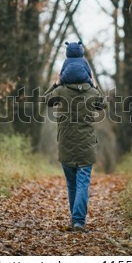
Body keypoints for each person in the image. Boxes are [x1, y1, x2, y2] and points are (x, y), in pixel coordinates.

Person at [45, 59, 106, 232]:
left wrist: (56, 83)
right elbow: (103, 104)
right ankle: (78, 221)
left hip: (66, 145)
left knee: (72, 183)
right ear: (86, 75)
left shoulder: (60, 92)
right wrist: (94, 84)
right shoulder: (91, 92)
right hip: (87, 146)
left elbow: (46, 100)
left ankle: (76, 220)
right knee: (82, 184)